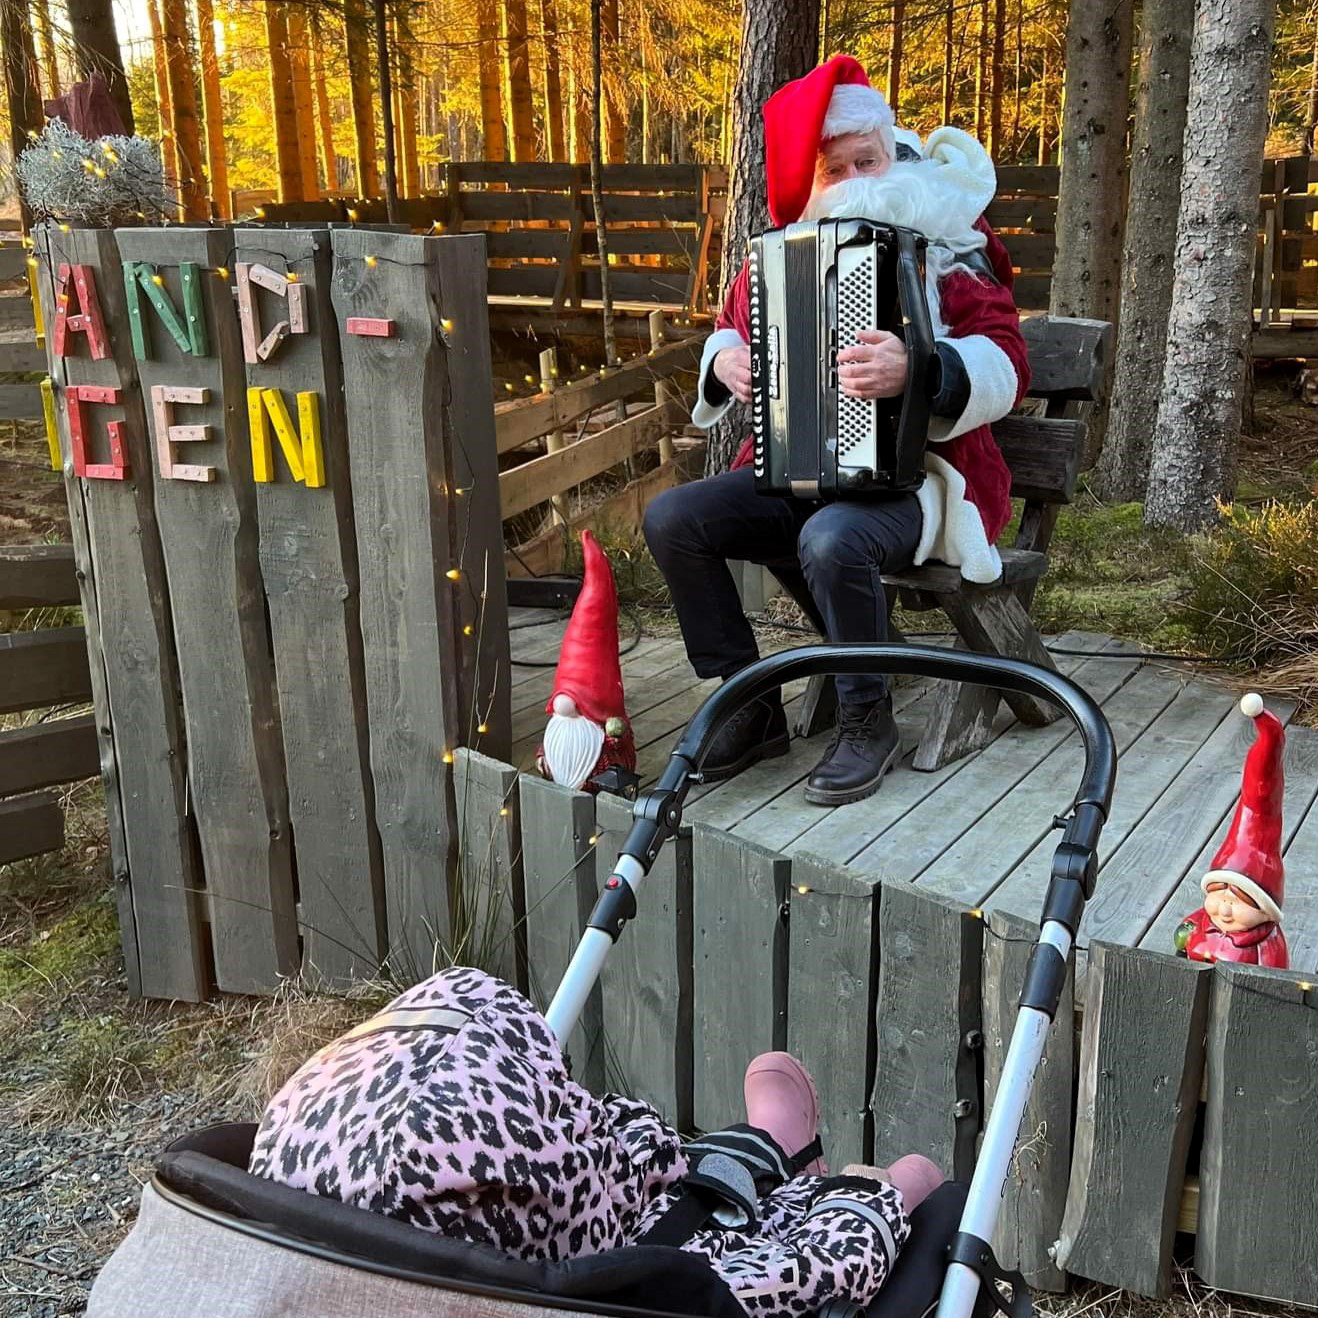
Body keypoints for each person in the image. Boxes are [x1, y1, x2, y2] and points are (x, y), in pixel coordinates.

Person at [643, 55, 1030, 806]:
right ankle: (748, 701)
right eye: (836, 168)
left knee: (832, 539)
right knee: (674, 518)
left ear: (891, 150)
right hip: (800, 470)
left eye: (867, 160)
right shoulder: (785, 250)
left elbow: (1008, 361)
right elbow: (730, 328)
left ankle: (866, 721)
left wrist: (920, 367)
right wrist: (727, 361)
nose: (856, 179)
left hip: (922, 482)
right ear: (814, 178)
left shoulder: (948, 237)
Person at [248, 965, 942, 1318]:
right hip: (632, 1270)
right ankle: (831, 1171)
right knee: (893, 1188)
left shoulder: (301, 1230)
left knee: (664, 1168)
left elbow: (608, 1157)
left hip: (496, 1240)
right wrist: (877, 1203)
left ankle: (771, 1143)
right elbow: (811, 1269)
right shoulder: (642, 1285)